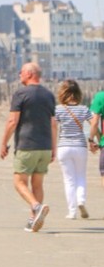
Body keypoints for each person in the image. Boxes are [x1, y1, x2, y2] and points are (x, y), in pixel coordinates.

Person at [0, 62, 56, 232]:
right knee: (37, 184)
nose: (19, 74)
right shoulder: (49, 95)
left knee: (19, 182)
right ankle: (33, 219)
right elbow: (53, 123)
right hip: (45, 146)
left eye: (21, 72)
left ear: (30, 74)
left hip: (27, 145)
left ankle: (36, 207)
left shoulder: (21, 93)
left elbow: (12, 121)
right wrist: (54, 148)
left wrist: (3, 143)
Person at [54, 79, 92, 219]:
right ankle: (81, 201)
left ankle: (72, 211)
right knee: (81, 176)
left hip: (63, 147)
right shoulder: (84, 109)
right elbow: (93, 123)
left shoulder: (58, 109)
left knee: (69, 180)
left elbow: (53, 126)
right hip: (80, 146)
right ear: (78, 93)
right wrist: (93, 139)